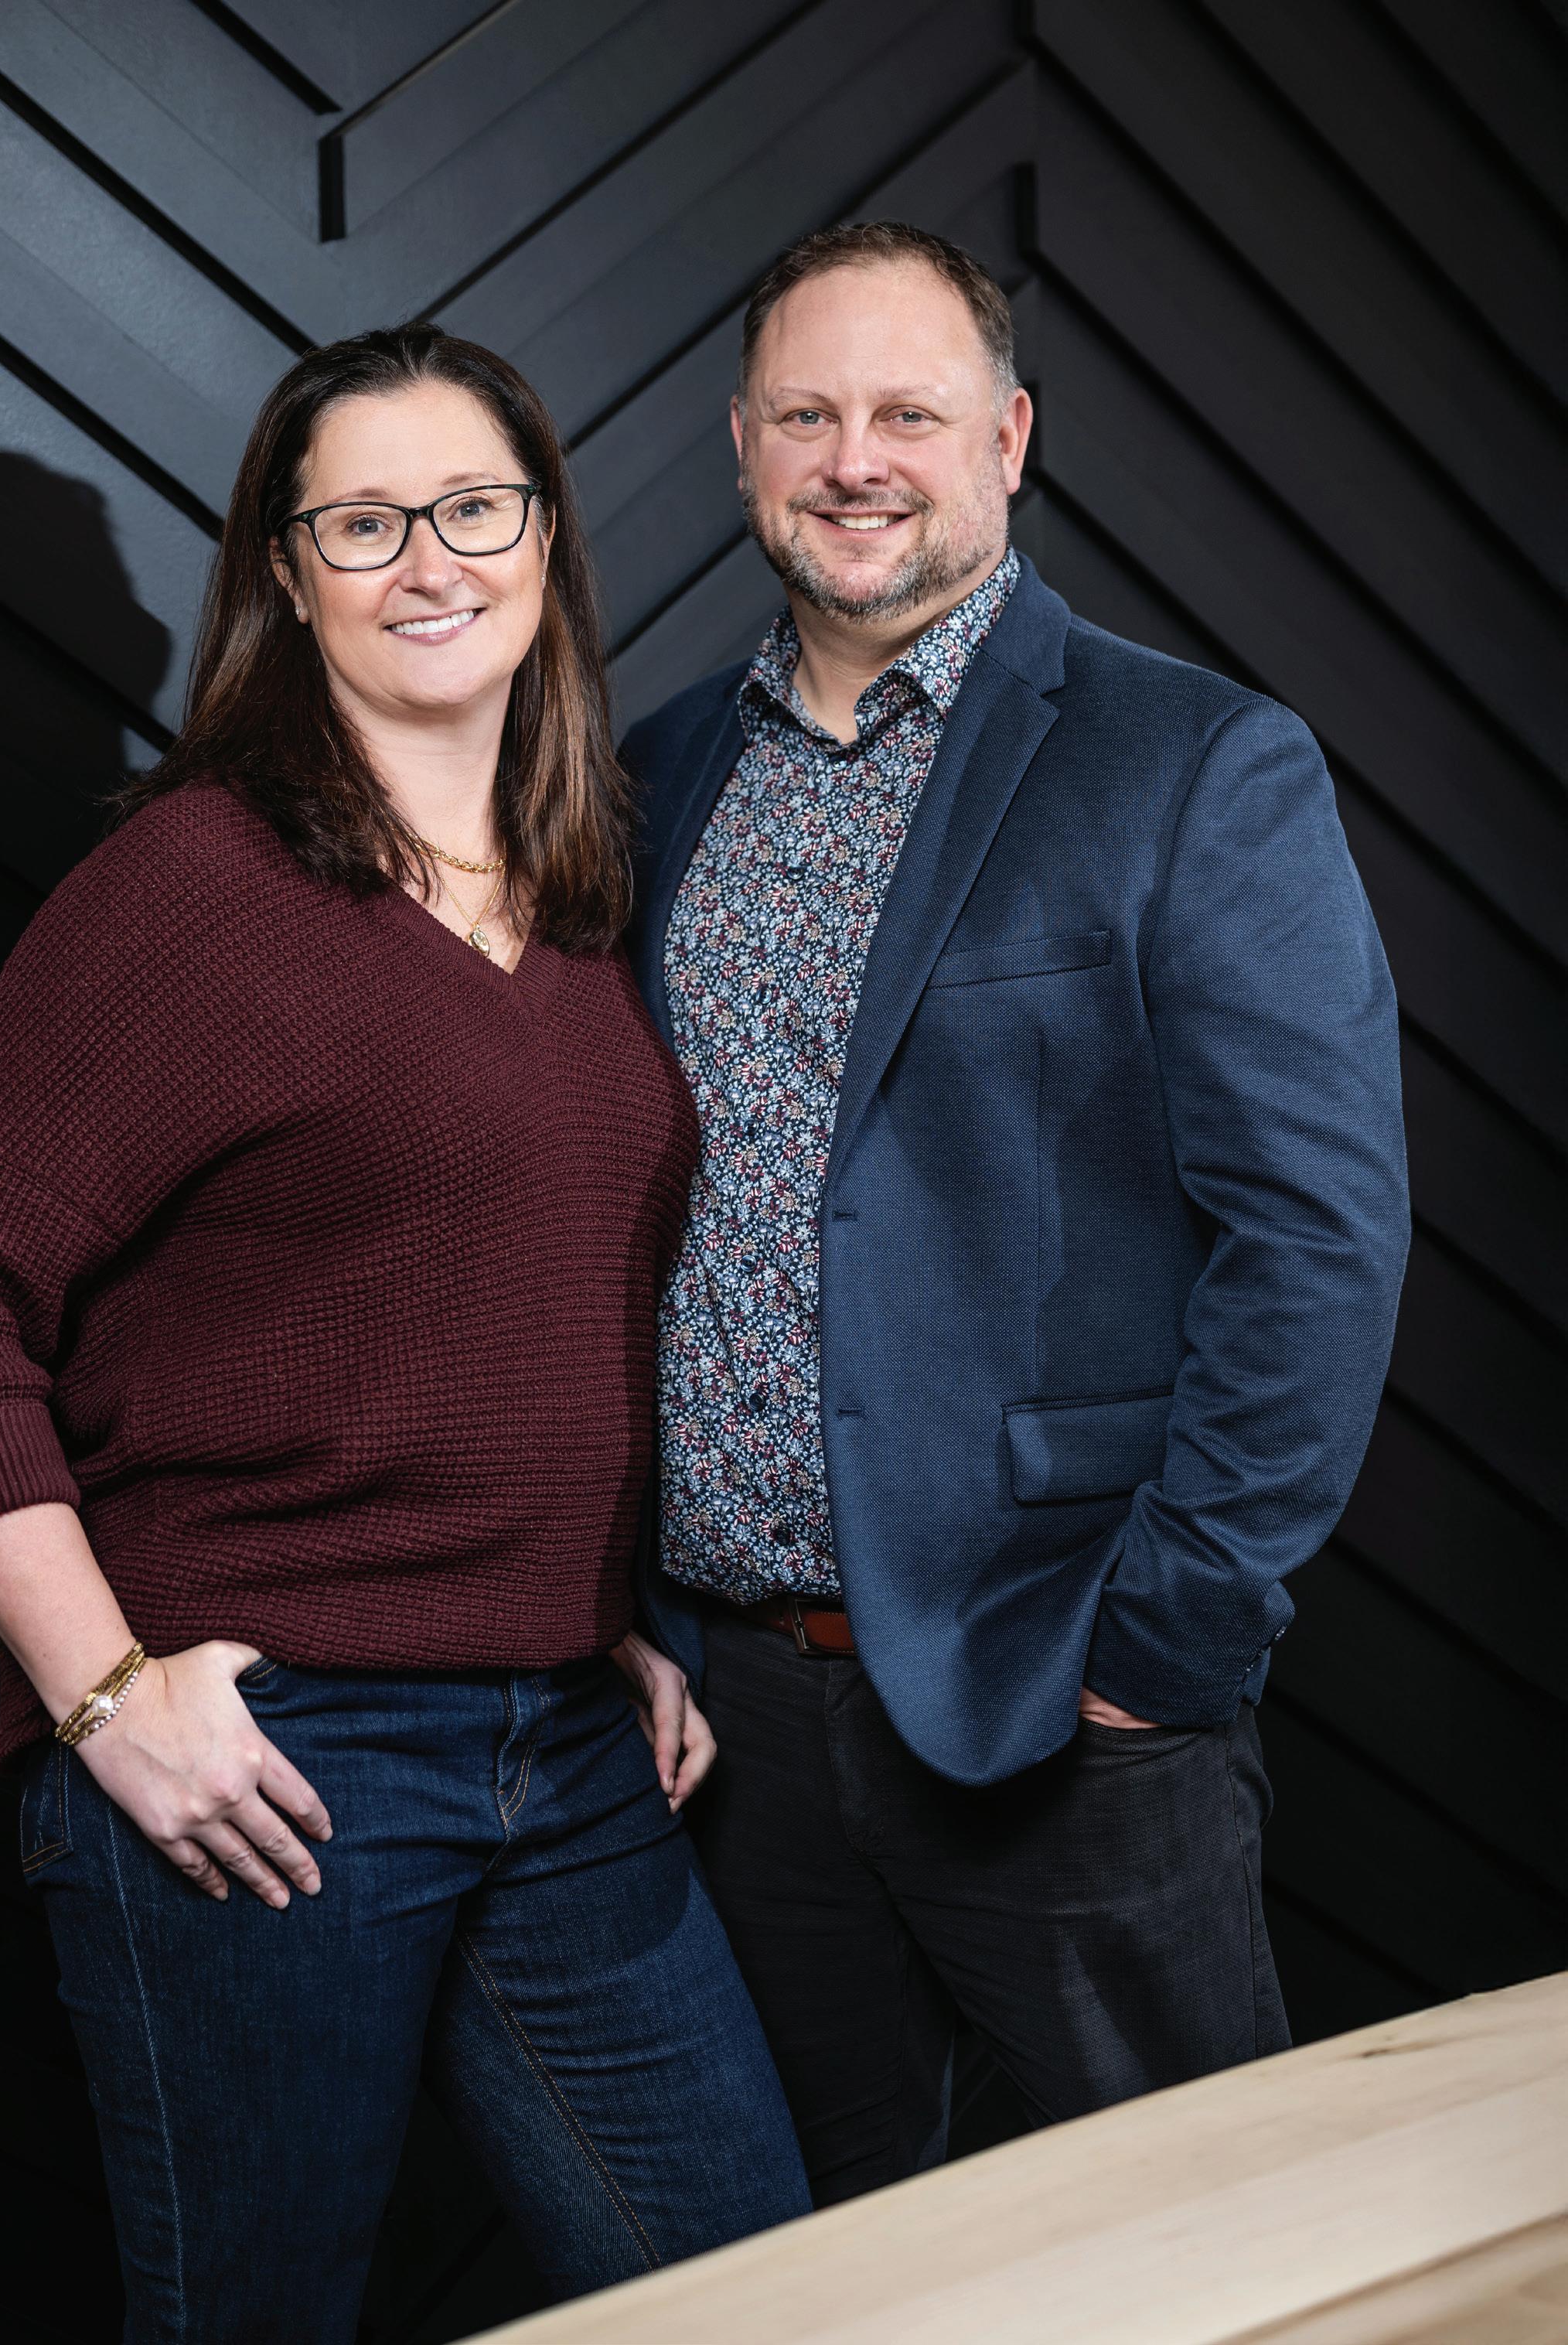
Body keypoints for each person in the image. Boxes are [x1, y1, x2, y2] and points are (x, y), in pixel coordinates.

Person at [0, 324, 810, 2342]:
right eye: (362, 523)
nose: (427, 561)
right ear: (287, 574)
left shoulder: (579, 895)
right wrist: (104, 1697)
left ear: (543, 542)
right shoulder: (197, 885)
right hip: (276, 1749)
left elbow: (511, 1300)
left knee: (757, 2306)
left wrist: (607, 1607)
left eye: (471, 508)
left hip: (566, 1742)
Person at [621, 221, 1409, 2205]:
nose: (853, 460)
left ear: (1008, 438)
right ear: (741, 444)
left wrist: (1165, 1640)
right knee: (817, 2278)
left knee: (1196, 2261)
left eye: (907, 412)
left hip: (1060, 1687)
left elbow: (1315, 1239)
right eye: (806, 413)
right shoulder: (658, 773)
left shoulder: (1190, 761)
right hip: (732, 1711)